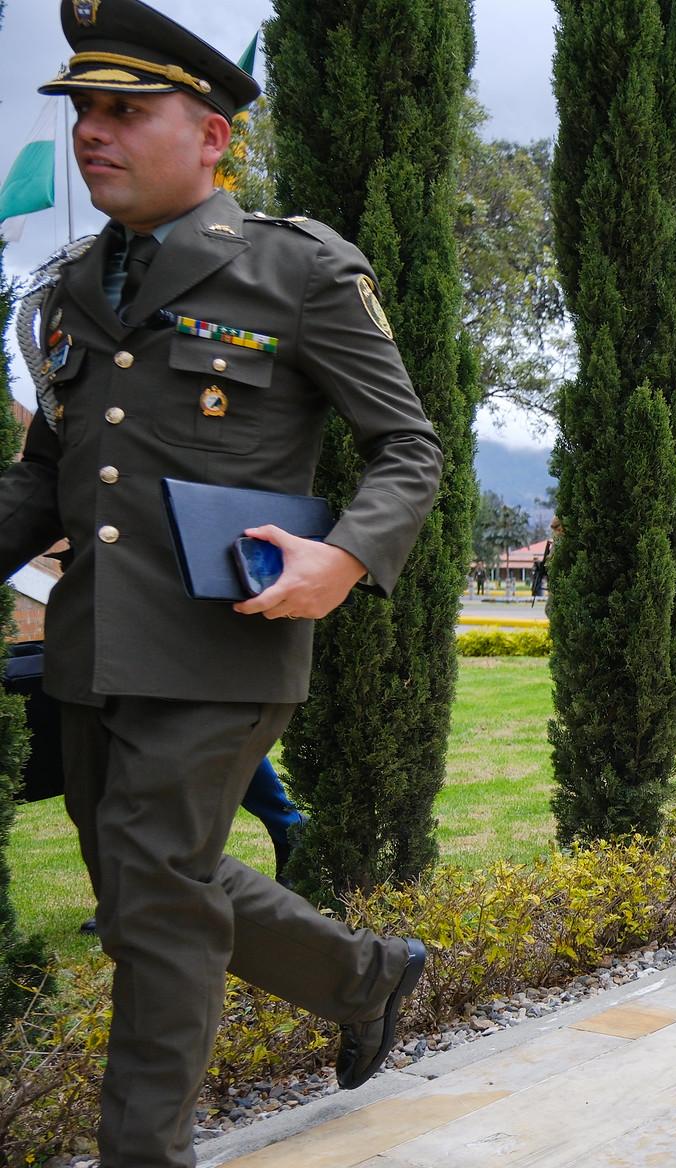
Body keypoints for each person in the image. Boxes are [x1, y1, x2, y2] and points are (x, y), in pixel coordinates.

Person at [1, 5, 441, 1163]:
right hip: (97, 646)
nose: (93, 132)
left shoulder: (294, 269)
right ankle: (366, 974)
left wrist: (344, 556)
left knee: (152, 909)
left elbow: (409, 448)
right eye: (83, 110)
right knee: (154, 879)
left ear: (211, 136)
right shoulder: (74, 286)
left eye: (124, 110)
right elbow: (48, 477)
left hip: (223, 641)